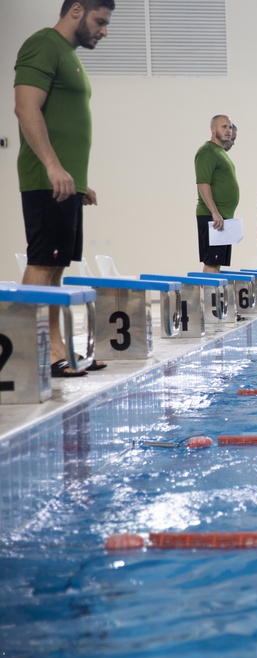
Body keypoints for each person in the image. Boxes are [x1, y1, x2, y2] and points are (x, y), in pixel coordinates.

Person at [14, 0, 115, 378]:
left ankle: (58, 349)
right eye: (99, 21)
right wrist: (53, 166)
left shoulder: (69, 55)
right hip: (46, 180)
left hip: (65, 184)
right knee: (42, 264)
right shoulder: (43, 45)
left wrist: (79, 183)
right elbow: (26, 108)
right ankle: (31, 354)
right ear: (76, 10)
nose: (104, 31)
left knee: (55, 267)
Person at [194, 114, 238, 273]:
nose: (228, 130)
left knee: (217, 263)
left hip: (222, 217)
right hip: (212, 217)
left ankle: (211, 291)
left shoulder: (220, 152)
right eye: (224, 127)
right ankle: (207, 291)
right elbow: (203, 184)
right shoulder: (207, 151)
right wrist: (214, 212)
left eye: (230, 127)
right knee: (211, 263)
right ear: (213, 129)